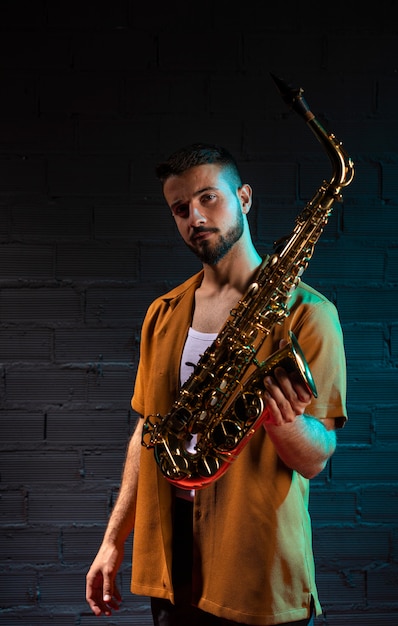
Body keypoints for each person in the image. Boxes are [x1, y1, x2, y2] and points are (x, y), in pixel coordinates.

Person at [85, 143, 347, 625]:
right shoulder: (163, 314)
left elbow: (315, 459)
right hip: (170, 563)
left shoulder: (312, 315)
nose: (195, 217)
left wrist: (279, 420)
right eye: (180, 208)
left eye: (209, 198)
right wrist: (111, 542)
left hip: (256, 570)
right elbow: (148, 433)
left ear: (244, 197)